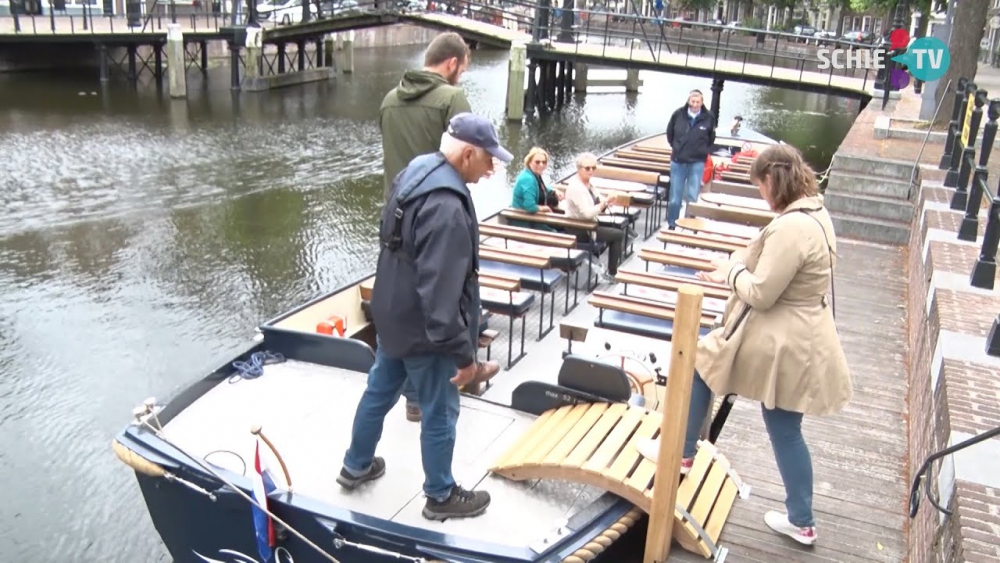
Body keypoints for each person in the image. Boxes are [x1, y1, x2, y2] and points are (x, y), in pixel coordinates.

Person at [637, 144, 852, 547]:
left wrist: (732, 268)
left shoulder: (792, 227)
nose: (761, 195)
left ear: (773, 180)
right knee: (785, 428)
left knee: (703, 366)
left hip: (782, 338)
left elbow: (761, 293)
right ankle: (802, 521)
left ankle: (681, 454)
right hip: (803, 334)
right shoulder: (816, 213)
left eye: (760, 187)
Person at [337, 113, 514, 521]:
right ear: (468, 153)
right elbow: (441, 295)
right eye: (489, 160)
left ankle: (355, 464)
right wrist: (463, 356)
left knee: (378, 392)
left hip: (392, 314)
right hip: (426, 333)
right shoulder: (448, 210)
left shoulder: (415, 171)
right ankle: (440, 494)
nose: (491, 170)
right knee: (440, 409)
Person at [380, 31, 473, 200]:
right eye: (461, 72)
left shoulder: (389, 100)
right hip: (435, 208)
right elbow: (468, 160)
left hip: (394, 210)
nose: (458, 79)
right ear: (452, 63)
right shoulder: (453, 98)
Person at [561, 153, 624, 281]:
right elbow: (587, 213)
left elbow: (598, 201)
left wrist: (607, 201)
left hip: (590, 224)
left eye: (593, 168)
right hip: (580, 228)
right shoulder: (576, 188)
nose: (591, 171)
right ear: (579, 168)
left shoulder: (589, 184)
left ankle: (596, 262)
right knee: (618, 234)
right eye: (587, 168)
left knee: (615, 227)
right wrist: (605, 203)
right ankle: (612, 273)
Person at [665, 90, 716, 229]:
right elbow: (670, 134)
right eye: (692, 102)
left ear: (702, 102)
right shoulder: (678, 114)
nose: (695, 104)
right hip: (678, 161)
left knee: (692, 197)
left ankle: (688, 224)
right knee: (675, 197)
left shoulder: (708, 117)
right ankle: (672, 223)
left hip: (697, 162)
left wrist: (703, 151)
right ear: (688, 101)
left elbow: (711, 138)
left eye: (698, 102)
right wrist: (677, 147)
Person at [510, 146, 564, 231]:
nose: (541, 165)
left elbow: (541, 186)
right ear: (529, 162)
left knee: (561, 225)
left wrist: (554, 190)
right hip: (524, 222)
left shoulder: (532, 174)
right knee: (559, 233)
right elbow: (530, 207)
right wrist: (544, 208)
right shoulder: (528, 179)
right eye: (537, 162)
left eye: (544, 162)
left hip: (533, 218)